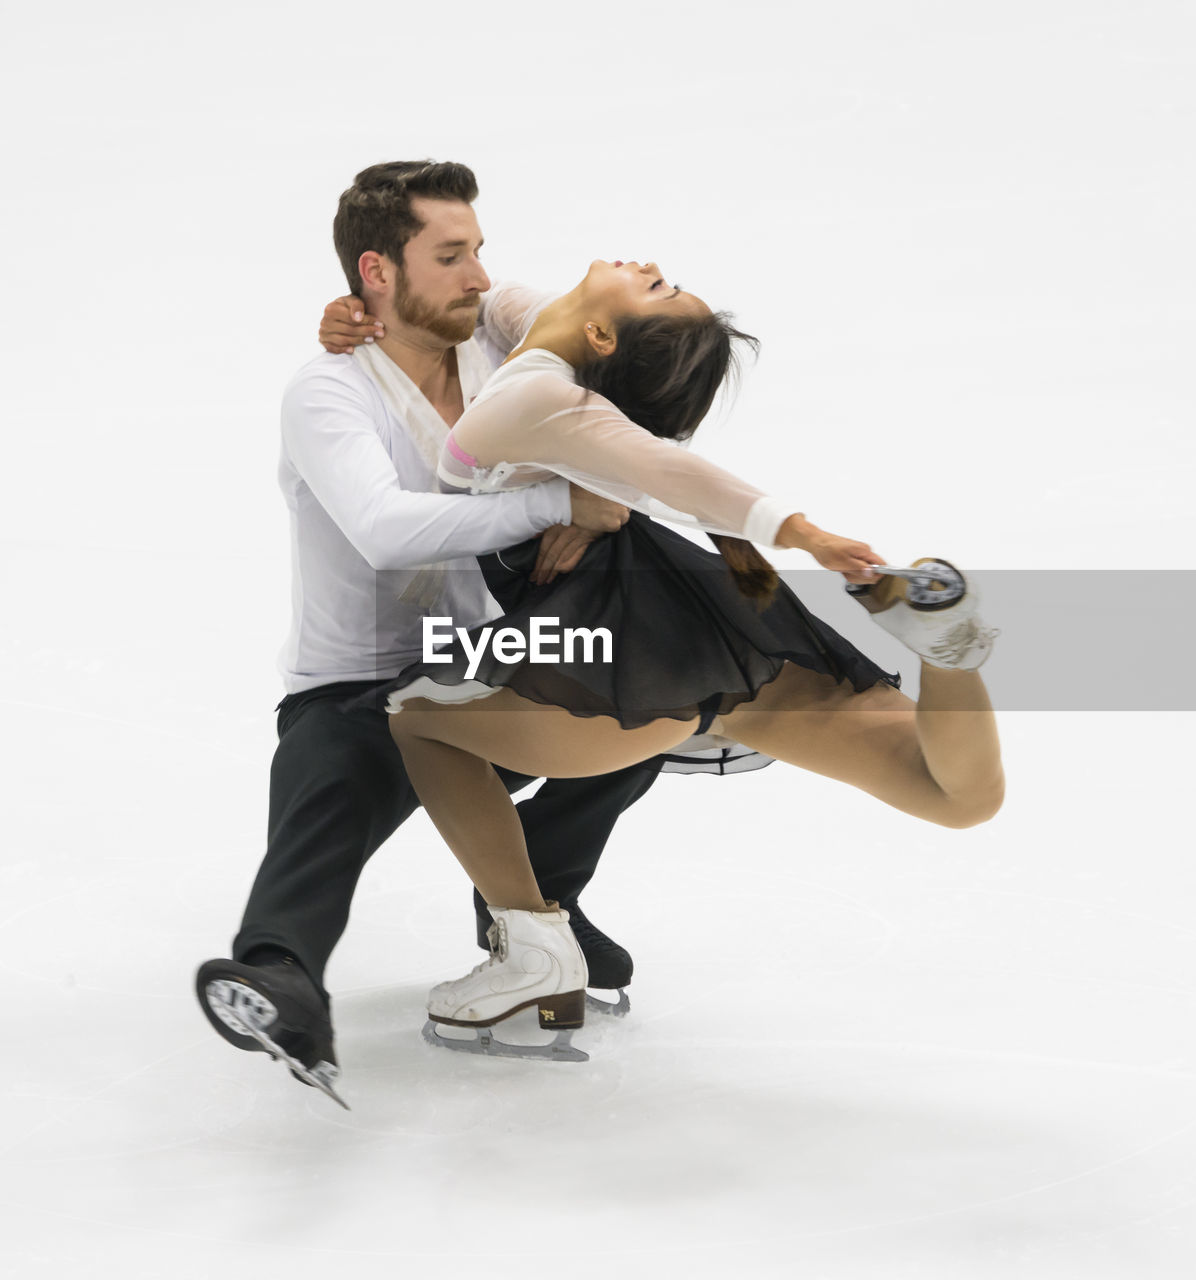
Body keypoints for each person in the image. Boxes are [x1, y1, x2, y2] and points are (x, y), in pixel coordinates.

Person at [329, 257, 1005, 1060]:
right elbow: (483, 300)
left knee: (419, 726)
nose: (651, 266)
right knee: (956, 797)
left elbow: (666, 467)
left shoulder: (537, 393)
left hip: (628, 640)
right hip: (726, 618)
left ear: (602, 335)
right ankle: (950, 653)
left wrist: (805, 534)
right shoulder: (542, 331)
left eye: (657, 288)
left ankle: (534, 952)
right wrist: (355, 316)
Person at [194, 162, 665, 1108]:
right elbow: (383, 527)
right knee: (321, 806)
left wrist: (605, 490)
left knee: (648, 699)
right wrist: (552, 499)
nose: (480, 276)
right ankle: (282, 978)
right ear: (377, 271)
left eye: (479, 250)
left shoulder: (501, 335)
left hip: (492, 664)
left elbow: (639, 366)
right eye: (450, 256)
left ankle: (535, 912)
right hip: (362, 683)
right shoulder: (328, 393)